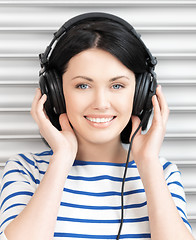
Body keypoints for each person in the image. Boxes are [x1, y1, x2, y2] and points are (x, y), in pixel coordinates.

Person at [0, 12, 194, 240]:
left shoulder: (162, 173)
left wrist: (148, 163)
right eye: (83, 86)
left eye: (117, 86)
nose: (101, 104)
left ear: (142, 93)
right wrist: (62, 157)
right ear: (55, 92)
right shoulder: (26, 169)